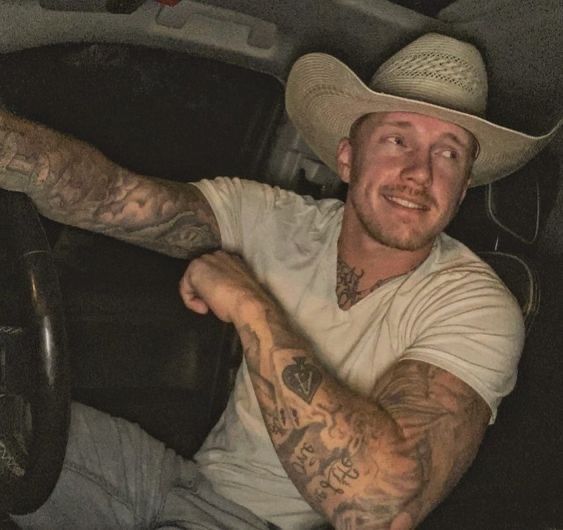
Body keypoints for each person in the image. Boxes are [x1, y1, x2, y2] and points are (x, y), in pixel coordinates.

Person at [1, 33, 559, 530]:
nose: (419, 172)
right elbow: (112, 197)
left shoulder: (476, 305)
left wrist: (250, 305)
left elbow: (381, 510)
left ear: (461, 190)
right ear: (347, 158)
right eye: (397, 140)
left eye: (448, 153)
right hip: (175, 479)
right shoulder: (275, 219)